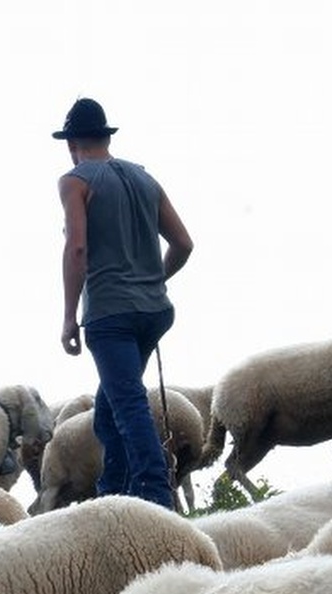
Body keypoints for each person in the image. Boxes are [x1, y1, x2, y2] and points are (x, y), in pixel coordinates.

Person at [53, 97, 193, 510]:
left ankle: (154, 497)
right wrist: (152, 279)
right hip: (154, 311)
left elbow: (77, 250)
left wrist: (67, 319)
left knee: (129, 405)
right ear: (105, 136)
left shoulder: (75, 181)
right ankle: (111, 494)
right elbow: (184, 244)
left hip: (110, 315)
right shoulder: (145, 179)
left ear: (71, 143)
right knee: (110, 410)